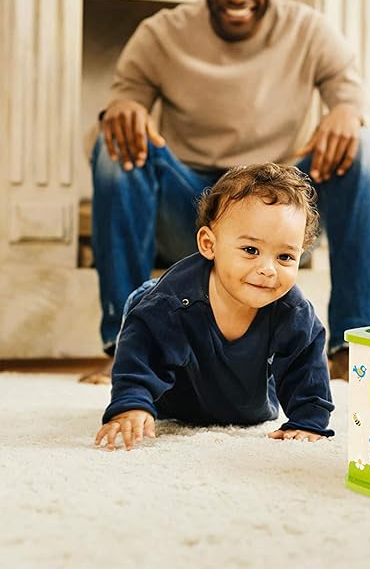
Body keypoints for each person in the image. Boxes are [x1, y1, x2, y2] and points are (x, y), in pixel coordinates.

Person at [84, 0, 370, 384]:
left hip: (279, 212)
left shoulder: (310, 31)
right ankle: (126, 341)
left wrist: (352, 115)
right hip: (191, 213)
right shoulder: (160, 34)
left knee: (363, 147)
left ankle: (351, 347)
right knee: (115, 144)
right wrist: (120, 112)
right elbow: (108, 133)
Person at [95, 163, 334, 450]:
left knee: (294, 340)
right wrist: (131, 404)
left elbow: (306, 369)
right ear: (209, 245)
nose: (268, 269)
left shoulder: (293, 312)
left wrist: (307, 422)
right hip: (172, 399)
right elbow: (143, 352)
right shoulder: (173, 302)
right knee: (146, 304)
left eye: (285, 256)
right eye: (250, 250)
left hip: (249, 406)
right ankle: (144, 297)